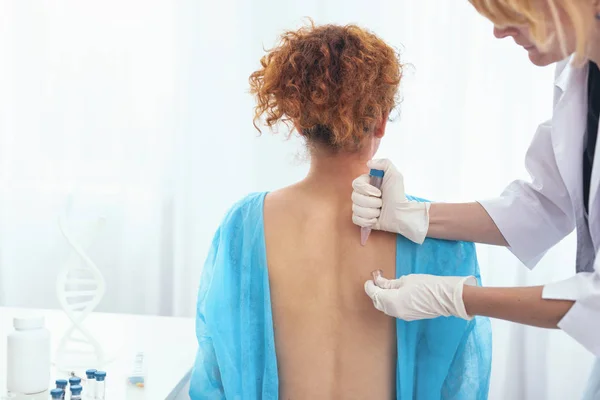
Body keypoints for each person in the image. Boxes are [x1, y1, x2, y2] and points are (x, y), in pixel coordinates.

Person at [189, 21, 492, 399]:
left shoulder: (244, 225)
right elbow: (462, 380)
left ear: (297, 120)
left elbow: (217, 366)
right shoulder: (438, 233)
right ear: (381, 120)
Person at [352, 0, 600, 398]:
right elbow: (545, 203)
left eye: (511, 11)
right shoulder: (581, 72)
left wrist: (457, 297)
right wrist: (411, 216)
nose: (499, 32)